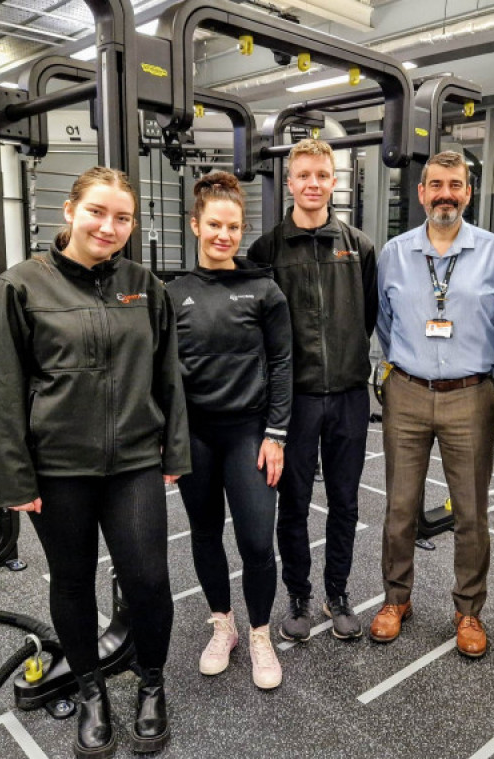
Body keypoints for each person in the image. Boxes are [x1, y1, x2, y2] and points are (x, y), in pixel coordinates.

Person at [0, 167, 191, 758]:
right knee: (72, 584)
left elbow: (167, 374)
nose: (109, 226)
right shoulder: (21, 286)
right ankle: (92, 690)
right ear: (71, 211)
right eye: (97, 211)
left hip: (132, 464)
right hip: (57, 468)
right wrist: (14, 478)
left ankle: (151, 685)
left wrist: (173, 450)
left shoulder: (143, 285)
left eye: (122, 217)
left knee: (149, 582)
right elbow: (1, 389)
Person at [373, 150, 494, 658]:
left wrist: (482, 368)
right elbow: (383, 320)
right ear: (421, 193)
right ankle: (396, 599)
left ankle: (468, 610)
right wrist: (410, 362)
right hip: (407, 394)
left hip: (470, 395)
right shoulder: (395, 252)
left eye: (456, 185)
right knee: (400, 507)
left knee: (471, 511)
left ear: (467, 192)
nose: (446, 193)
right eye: (436, 184)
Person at [247, 138, 377, 642]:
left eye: (322, 174)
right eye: (303, 175)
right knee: (294, 503)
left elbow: (366, 317)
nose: (313, 184)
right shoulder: (266, 251)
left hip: (347, 396)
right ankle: (298, 595)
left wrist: (343, 359)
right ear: (291, 181)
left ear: (333, 180)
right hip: (293, 402)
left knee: (345, 501)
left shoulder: (359, 246)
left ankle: (337, 592)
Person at [168, 172, 292, 689]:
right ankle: (224, 625)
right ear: (196, 224)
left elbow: (284, 364)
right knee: (204, 533)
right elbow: (164, 375)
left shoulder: (263, 290)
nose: (224, 235)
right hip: (196, 437)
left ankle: (260, 632)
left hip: (249, 435)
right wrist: (169, 442)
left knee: (257, 542)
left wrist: (276, 433)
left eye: (234, 227)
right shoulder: (172, 294)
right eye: (214, 225)